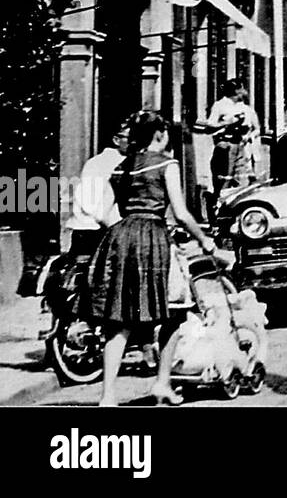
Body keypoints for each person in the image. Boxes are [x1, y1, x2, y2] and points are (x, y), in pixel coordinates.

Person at [86, 112, 218, 406]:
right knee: (173, 312)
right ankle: (162, 384)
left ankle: (108, 397)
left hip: (121, 239)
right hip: (155, 240)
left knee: (119, 321)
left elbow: (102, 213)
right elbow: (182, 214)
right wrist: (206, 241)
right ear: (159, 135)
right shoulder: (167, 164)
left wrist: (124, 230)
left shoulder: (121, 168)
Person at [66, 116, 133, 257]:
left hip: (111, 230)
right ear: (116, 140)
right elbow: (92, 206)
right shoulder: (99, 163)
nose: (134, 142)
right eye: (130, 137)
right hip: (92, 232)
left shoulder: (133, 162)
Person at [208, 80, 259, 199]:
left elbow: (256, 128)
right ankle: (221, 205)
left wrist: (249, 135)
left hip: (242, 145)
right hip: (226, 145)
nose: (244, 92)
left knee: (242, 179)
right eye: (241, 89)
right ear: (236, 91)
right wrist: (227, 123)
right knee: (226, 177)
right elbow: (210, 125)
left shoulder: (244, 107)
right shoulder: (220, 105)